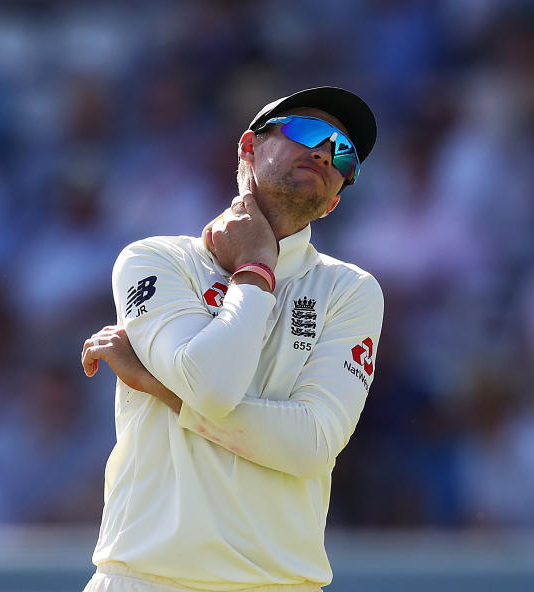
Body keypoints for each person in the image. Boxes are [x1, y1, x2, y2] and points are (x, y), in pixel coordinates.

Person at [78, 87, 383, 592]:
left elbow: (309, 445)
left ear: (334, 201)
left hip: (279, 583)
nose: (326, 151)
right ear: (248, 148)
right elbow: (214, 385)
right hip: (143, 577)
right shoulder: (156, 260)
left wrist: (161, 387)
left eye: (343, 152)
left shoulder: (349, 290)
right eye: (306, 130)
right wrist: (257, 271)